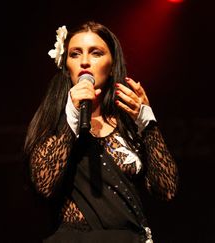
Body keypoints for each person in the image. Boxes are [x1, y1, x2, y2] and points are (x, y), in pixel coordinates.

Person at [24, 21, 179, 243]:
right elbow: (44, 184)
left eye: (96, 53)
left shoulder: (127, 125)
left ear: (112, 62)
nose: (85, 62)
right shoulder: (53, 123)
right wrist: (73, 115)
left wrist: (147, 123)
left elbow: (167, 190)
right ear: (66, 64)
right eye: (75, 54)